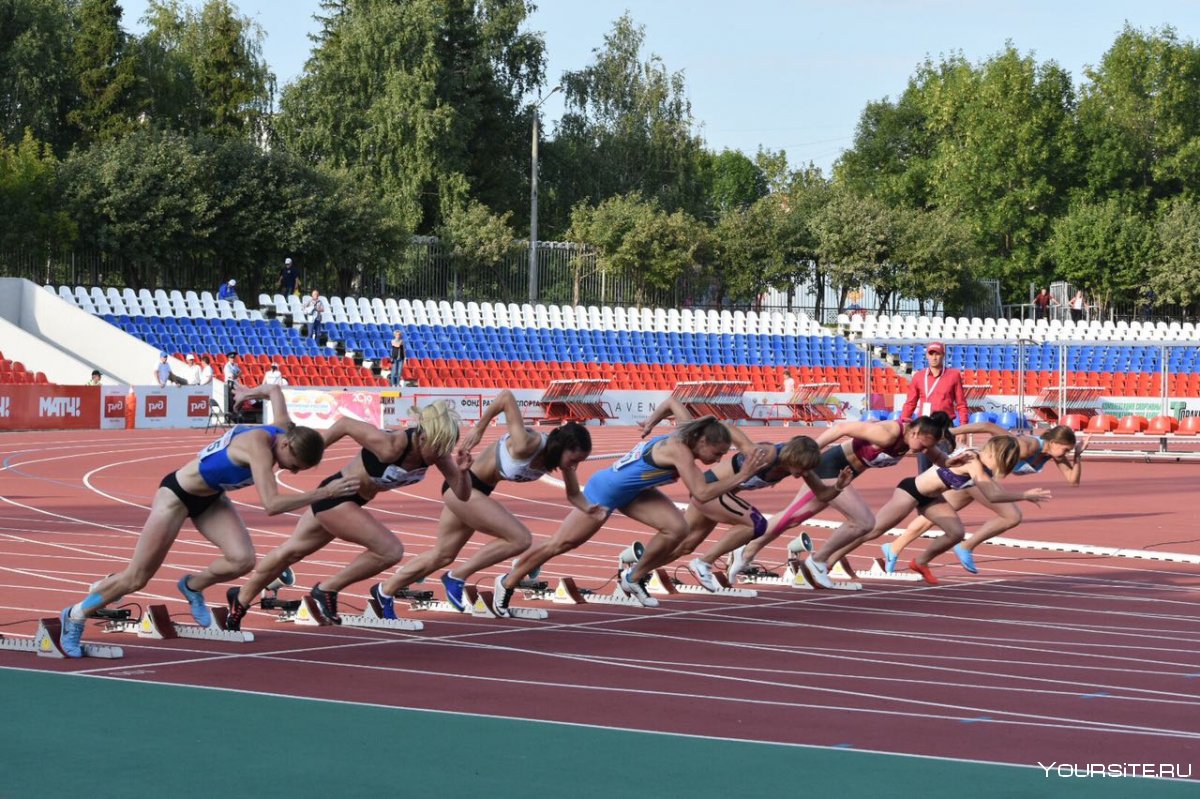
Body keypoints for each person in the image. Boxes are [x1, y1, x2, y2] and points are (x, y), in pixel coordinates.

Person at [55, 384, 360, 657]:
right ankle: (76, 615)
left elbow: (276, 391)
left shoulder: (283, 428)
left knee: (242, 560)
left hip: (210, 498)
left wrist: (245, 393)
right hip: (175, 496)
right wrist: (324, 493)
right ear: (286, 446)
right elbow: (272, 504)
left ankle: (192, 586)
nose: (290, 473)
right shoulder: (260, 447)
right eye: (292, 466)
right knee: (137, 579)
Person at [223, 402, 473, 629]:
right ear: (422, 435)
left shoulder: (437, 455)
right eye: (438, 446)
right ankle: (327, 589)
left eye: (446, 448)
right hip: (337, 495)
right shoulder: (391, 445)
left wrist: (463, 472)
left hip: (352, 501)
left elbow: (462, 495)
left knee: (291, 551)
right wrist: (311, 457)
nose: (441, 453)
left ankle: (240, 599)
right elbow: (344, 424)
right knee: (390, 550)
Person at [498, 416, 772, 609]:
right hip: (605, 491)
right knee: (561, 543)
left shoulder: (691, 435)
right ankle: (507, 583)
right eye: (718, 452)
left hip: (635, 492)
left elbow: (700, 414)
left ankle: (633, 577)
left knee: (678, 529)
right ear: (702, 442)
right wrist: (744, 474)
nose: (719, 459)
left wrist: (653, 420)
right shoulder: (680, 451)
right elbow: (701, 493)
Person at [373, 390, 596, 619]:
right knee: (520, 539)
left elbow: (574, 495)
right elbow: (506, 397)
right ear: (562, 447)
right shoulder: (527, 444)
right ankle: (457, 576)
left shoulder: (561, 463)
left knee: (442, 555)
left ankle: (384, 591)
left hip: (471, 492)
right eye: (574, 458)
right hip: (464, 486)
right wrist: (480, 428)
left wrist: (592, 509)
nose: (575, 465)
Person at [633, 399, 849, 592]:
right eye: (800, 470)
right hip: (709, 488)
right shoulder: (766, 454)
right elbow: (728, 428)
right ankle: (704, 563)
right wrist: (654, 423)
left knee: (685, 545)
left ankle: (637, 573)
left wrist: (838, 486)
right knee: (755, 524)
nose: (800, 475)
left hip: (719, 495)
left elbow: (822, 493)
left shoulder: (801, 466)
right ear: (793, 457)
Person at [726, 414, 952, 587]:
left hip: (842, 475)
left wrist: (960, 461)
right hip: (829, 467)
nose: (923, 450)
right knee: (863, 522)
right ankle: (819, 561)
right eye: (923, 445)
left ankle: (746, 551)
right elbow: (842, 428)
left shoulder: (919, 441)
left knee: (792, 517)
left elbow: (942, 460)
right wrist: (811, 451)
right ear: (914, 433)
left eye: (927, 447)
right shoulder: (888, 433)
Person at [835, 436, 1052, 585]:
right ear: (999, 454)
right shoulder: (973, 461)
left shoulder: (981, 463)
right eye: (1007, 462)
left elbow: (992, 489)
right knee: (872, 530)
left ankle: (920, 562)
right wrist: (1025, 496)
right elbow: (993, 495)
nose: (1005, 467)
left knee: (955, 533)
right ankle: (832, 557)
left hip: (931, 499)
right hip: (911, 491)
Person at [884, 423, 1087, 575]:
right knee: (1012, 515)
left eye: (1069, 451)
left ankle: (893, 547)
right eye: (1066, 449)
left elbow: (1073, 480)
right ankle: (965, 546)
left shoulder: (1053, 455)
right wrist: (950, 433)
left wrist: (1077, 455)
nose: (1065, 454)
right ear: (1052, 443)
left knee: (935, 513)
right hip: (977, 474)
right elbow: (988, 427)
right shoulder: (1028, 446)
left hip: (977, 478)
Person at [902, 341, 968, 471]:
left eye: (937, 354)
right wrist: (903, 423)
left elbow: (961, 404)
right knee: (923, 469)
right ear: (927, 355)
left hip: (944, 428)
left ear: (943, 355)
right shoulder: (918, 377)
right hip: (924, 427)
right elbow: (910, 403)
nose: (934, 357)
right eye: (931, 354)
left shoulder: (953, 375)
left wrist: (963, 429)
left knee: (946, 468)